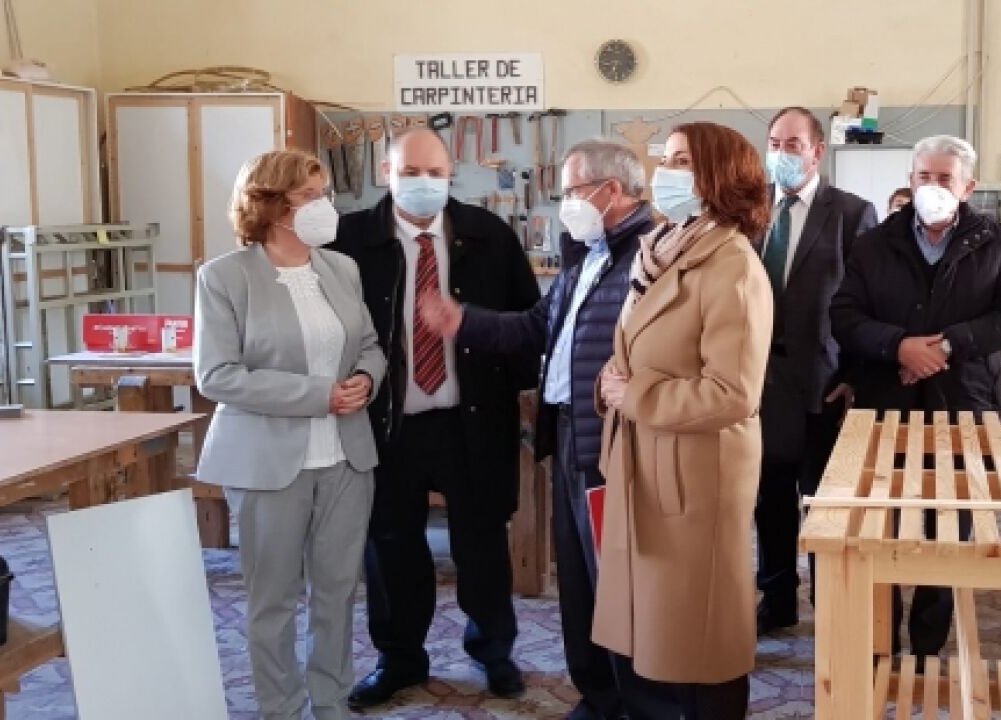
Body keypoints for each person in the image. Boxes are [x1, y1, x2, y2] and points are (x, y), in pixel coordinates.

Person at [418, 140, 677, 720]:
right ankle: (598, 696)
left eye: (572, 190)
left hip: (615, 449)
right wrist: (464, 322)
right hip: (568, 442)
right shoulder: (586, 255)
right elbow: (538, 328)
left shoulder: (651, 258)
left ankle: (641, 705)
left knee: (622, 589)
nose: (565, 203)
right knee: (580, 585)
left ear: (611, 191)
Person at [327, 127, 541, 709]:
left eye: (435, 173)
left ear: (451, 176)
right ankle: (399, 658)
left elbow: (527, 323)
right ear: (386, 173)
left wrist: (517, 391)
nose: (423, 183)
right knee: (390, 545)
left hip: (472, 419)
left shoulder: (490, 235)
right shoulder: (348, 241)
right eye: (410, 173)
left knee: (482, 542)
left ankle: (493, 650)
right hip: (386, 424)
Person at [193, 150, 386, 720]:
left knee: (338, 592)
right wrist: (317, 395)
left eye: (325, 194)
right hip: (266, 461)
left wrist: (365, 378)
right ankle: (280, 709)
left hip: (347, 456)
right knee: (272, 600)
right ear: (273, 205)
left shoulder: (342, 268)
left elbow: (370, 346)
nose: (325, 206)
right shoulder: (224, 277)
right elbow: (217, 376)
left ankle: (331, 703)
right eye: (310, 195)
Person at [593, 122, 773, 720]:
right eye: (666, 159)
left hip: (697, 475)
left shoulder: (732, 265)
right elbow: (636, 347)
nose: (666, 173)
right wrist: (612, 383)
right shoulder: (663, 249)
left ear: (720, 175)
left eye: (683, 162)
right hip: (648, 460)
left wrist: (636, 394)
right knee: (657, 629)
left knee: (701, 638)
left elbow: (733, 393)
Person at [829, 135, 1001, 657]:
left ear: (968, 186)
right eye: (924, 176)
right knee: (881, 525)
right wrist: (898, 346)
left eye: (945, 178)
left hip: (961, 403)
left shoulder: (995, 240)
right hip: (887, 402)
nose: (932, 186)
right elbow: (845, 316)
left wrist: (946, 346)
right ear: (910, 180)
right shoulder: (875, 243)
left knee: (948, 528)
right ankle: (879, 641)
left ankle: (927, 644)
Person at [754, 107, 877, 635]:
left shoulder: (851, 213)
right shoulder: (751, 209)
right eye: (775, 143)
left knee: (823, 501)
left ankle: (830, 604)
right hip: (757, 383)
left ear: (817, 151)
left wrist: (856, 373)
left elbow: (867, 301)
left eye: (793, 144)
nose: (782, 153)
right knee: (768, 499)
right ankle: (776, 597)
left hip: (822, 383)